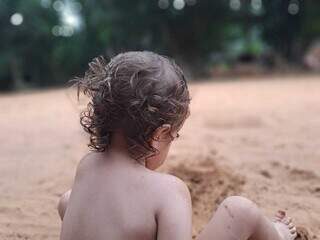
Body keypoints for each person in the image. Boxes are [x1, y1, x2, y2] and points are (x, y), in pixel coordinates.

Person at [58, 51, 297, 240]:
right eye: (175, 136)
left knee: (68, 200)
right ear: (160, 135)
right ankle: (278, 235)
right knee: (240, 211)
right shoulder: (168, 191)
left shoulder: (86, 166)